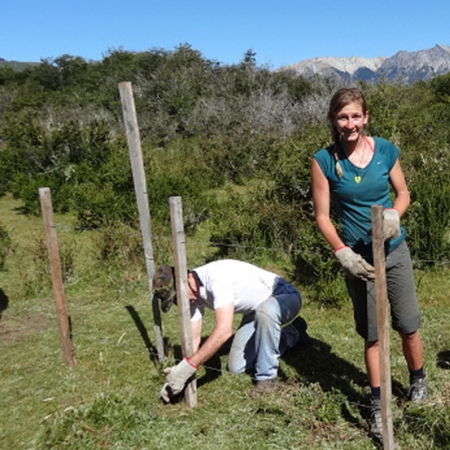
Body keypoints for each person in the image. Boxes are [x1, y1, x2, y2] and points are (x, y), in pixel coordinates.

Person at [310, 87, 428, 438]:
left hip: (394, 250)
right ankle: (378, 403)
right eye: (343, 117)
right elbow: (322, 216)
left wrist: (394, 214)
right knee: (373, 335)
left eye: (356, 116)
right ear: (333, 120)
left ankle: (418, 381)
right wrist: (341, 252)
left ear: (366, 117)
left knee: (408, 323)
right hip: (359, 260)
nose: (350, 124)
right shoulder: (324, 161)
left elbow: (403, 192)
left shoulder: (385, 151)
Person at [153, 259, 308, 402]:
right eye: (173, 301)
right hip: (256, 311)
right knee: (236, 366)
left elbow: (224, 330)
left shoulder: (216, 278)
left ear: (187, 280)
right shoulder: (192, 296)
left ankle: (267, 379)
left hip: (283, 297)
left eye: (176, 298)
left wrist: (190, 366)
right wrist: (181, 372)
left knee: (266, 311)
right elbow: (193, 340)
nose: (178, 303)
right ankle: (293, 333)